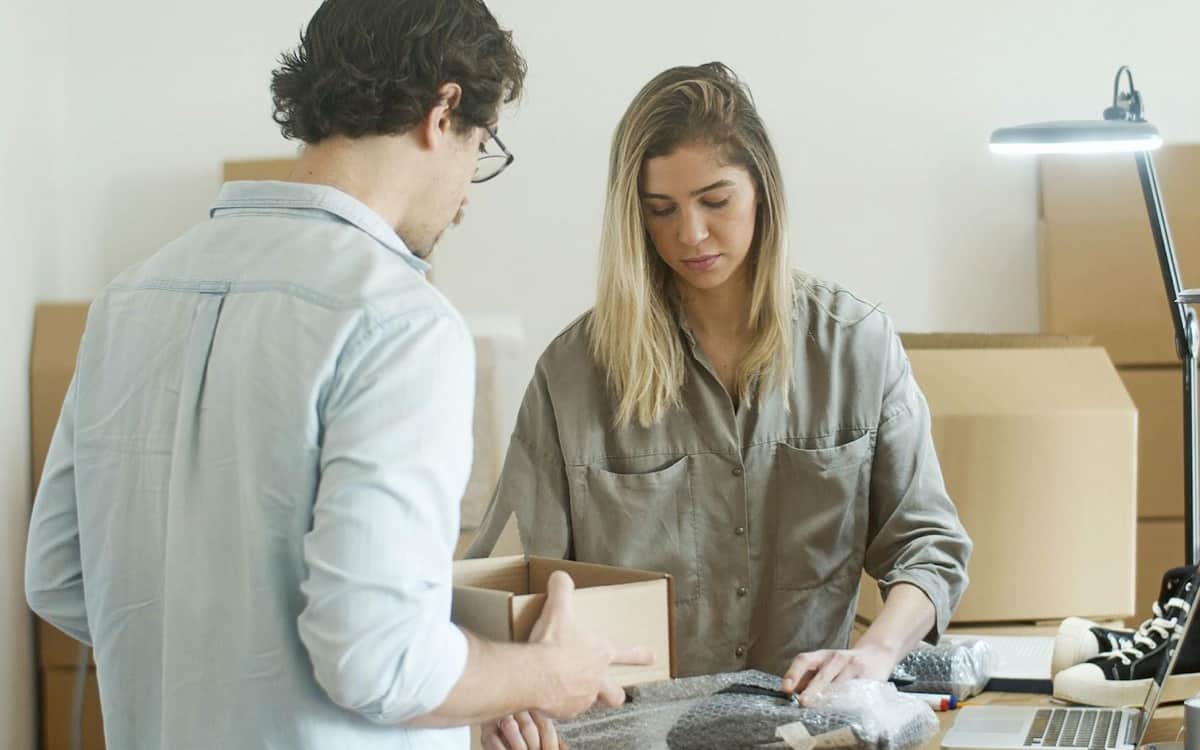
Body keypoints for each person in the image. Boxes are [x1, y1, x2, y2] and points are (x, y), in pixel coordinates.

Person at [24, 2, 647, 748]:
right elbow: (378, 659)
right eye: (479, 147)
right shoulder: (400, 322)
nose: (468, 194)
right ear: (442, 109)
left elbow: (59, 574)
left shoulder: (129, 299)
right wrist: (548, 673)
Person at [468, 62, 972, 749]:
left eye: (715, 201)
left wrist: (876, 653)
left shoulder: (858, 348)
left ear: (762, 191)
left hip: (808, 731)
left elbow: (928, 547)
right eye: (661, 210)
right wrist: (513, 692)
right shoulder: (573, 375)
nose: (691, 235)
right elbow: (512, 585)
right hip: (627, 735)